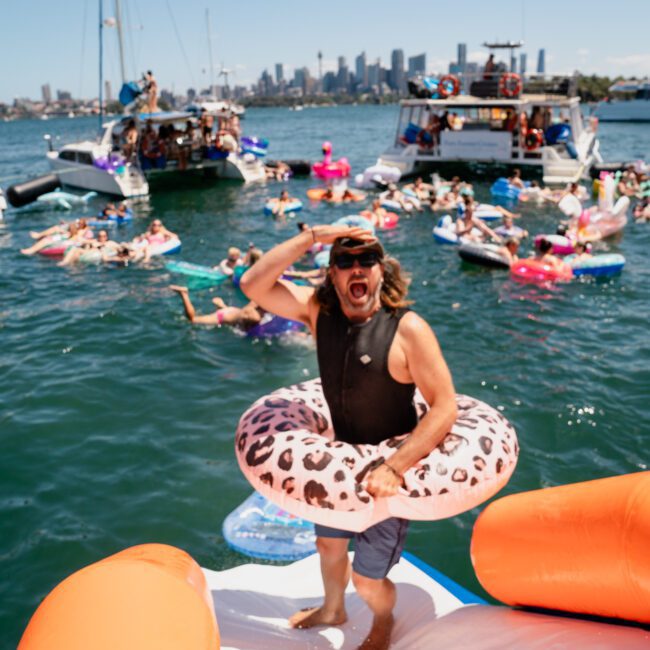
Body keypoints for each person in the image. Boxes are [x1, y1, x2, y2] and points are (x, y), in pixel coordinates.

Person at [239, 226, 458, 650]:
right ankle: (333, 608)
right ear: (332, 274)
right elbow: (252, 284)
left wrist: (394, 467)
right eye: (344, 262)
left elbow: (444, 406)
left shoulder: (408, 329)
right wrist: (315, 235)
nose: (356, 268)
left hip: (388, 476)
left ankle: (383, 619)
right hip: (337, 463)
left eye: (366, 260)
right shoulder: (319, 312)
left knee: (369, 578)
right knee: (328, 545)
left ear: (381, 270)